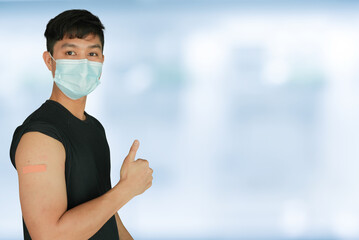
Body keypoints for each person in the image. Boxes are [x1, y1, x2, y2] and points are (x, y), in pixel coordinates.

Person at [9, 9, 153, 240]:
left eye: (92, 54)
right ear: (49, 61)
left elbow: (107, 214)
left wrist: (122, 193)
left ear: (102, 62)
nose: (83, 63)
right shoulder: (40, 136)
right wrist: (126, 189)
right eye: (70, 52)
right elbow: (48, 236)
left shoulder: (95, 128)